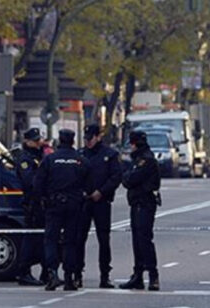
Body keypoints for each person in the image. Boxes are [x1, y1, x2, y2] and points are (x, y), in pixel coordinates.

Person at [34, 129, 87, 291]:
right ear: (72, 141)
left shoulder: (50, 160)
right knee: (70, 241)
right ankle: (69, 277)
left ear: (59, 140)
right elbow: (89, 182)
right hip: (74, 206)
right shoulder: (80, 160)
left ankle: (52, 274)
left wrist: (42, 199)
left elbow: (38, 184)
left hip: (54, 205)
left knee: (51, 240)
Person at [76, 124, 124, 289]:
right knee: (79, 238)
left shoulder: (109, 155)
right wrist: (81, 192)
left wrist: (101, 192)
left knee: (103, 240)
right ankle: (77, 274)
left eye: (91, 138)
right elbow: (73, 176)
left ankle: (105, 275)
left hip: (101, 202)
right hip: (84, 202)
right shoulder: (80, 154)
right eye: (86, 139)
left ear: (98, 137)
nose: (88, 142)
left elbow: (116, 176)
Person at [118, 130, 161, 291]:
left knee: (144, 240)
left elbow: (129, 180)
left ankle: (152, 275)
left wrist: (126, 174)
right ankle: (138, 275)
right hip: (137, 204)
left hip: (144, 204)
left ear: (135, 144)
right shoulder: (140, 159)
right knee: (137, 241)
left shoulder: (145, 160)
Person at [15, 127, 47, 286]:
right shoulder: (25, 159)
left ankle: (46, 272)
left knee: (42, 239)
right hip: (31, 204)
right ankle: (24, 272)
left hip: (40, 203)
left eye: (38, 140)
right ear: (27, 141)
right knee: (30, 239)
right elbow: (29, 182)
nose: (38, 143)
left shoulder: (38, 156)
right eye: (35, 141)